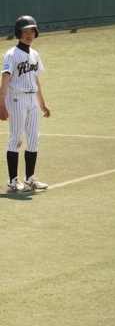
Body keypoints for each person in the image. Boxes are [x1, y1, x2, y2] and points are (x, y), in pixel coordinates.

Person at [0, 15, 51, 193]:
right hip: (16, 99)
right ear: (18, 33)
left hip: (31, 100)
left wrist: (42, 104)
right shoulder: (11, 55)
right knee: (16, 139)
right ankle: (12, 182)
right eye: (25, 31)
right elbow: (5, 80)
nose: (29, 35)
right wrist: (1, 104)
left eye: (32, 31)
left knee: (34, 139)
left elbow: (35, 80)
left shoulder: (35, 55)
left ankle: (29, 180)